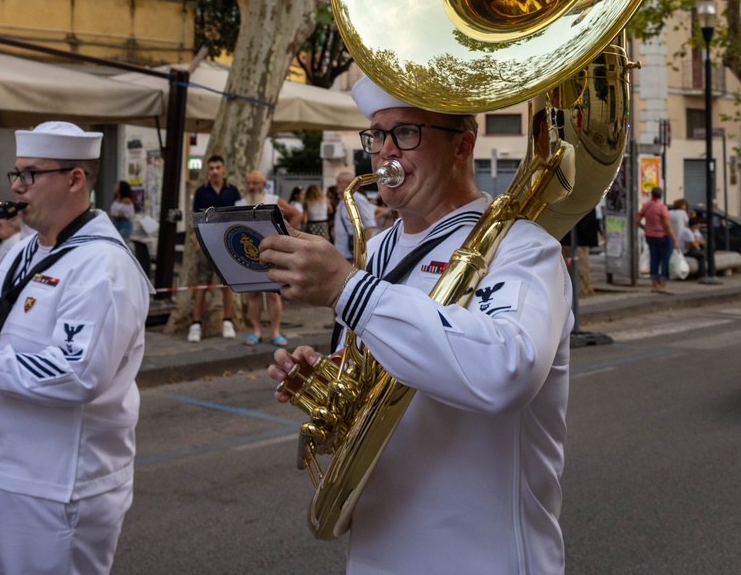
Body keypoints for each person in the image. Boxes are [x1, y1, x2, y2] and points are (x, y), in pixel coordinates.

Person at [260, 76, 574, 574]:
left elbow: (507, 369)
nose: (385, 150)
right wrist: (327, 376)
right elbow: (380, 366)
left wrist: (349, 290)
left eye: (405, 133)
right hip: (376, 549)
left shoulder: (522, 246)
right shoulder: (380, 247)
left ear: (462, 146)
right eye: (377, 135)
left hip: (481, 555)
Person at [0, 121, 151, 575]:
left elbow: (80, 374)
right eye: (16, 174)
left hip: (56, 487)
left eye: (30, 175)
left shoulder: (102, 265)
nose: (16, 187)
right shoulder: (26, 250)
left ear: (75, 179)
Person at [238, 170, 303, 347]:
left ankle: (275, 332)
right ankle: (256, 331)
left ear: (263, 184)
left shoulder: (273, 200)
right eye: (249, 183)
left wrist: (285, 237)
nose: (251, 187)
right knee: (253, 294)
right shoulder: (240, 203)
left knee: (273, 294)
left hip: (272, 253)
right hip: (248, 255)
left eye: (255, 183)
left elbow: (297, 214)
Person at [189, 154, 242, 343]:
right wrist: (197, 241)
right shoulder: (201, 192)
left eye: (217, 168)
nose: (214, 172)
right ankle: (196, 324)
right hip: (206, 242)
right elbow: (195, 218)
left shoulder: (233, 191)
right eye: (211, 168)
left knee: (226, 285)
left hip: (227, 244)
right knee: (202, 284)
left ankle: (227, 321)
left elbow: (238, 216)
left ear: (224, 169)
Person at [637, 187, 678, 294]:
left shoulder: (647, 206)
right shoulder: (662, 207)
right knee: (665, 260)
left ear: (652, 195)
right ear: (661, 195)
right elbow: (666, 225)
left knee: (654, 259)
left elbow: (636, 220)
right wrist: (674, 239)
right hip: (662, 237)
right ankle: (663, 285)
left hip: (650, 237)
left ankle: (654, 284)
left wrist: (645, 227)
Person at [332, 168, 376, 262]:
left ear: (348, 183)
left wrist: (361, 250)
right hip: (342, 253)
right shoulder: (341, 201)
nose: (336, 185)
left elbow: (370, 225)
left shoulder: (358, 199)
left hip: (353, 255)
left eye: (339, 182)